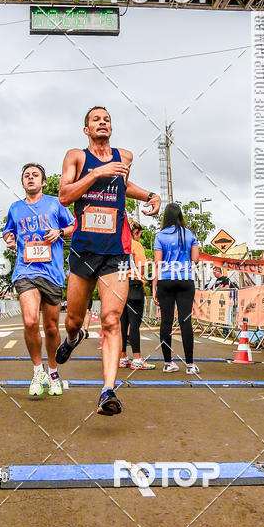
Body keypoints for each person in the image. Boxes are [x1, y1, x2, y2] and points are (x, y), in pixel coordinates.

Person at [55, 106, 161, 416]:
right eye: (95, 120)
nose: (102, 122)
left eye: (107, 119)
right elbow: (64, 195)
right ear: (86, 129)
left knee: (112, 320)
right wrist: (98, 172)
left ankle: (108, 391)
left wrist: (149, 195)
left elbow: (122, 186)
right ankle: (73, 338)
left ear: (111, 127)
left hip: (116, 251)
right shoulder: (76, 156)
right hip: (84, 250)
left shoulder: (124, 156)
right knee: (74, 319)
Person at [3, 162, 74, 396]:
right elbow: (8, 231)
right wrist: (10, 239)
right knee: (31, 321)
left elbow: (75, 224)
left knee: (52, 327)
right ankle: (37, 370)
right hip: (25, 271)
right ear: (22, 182)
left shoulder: (55, 203)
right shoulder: (15, 208)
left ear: (43, 181)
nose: (30, 178)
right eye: (26, 175)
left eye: (35, 175)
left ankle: (53, 372)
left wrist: (60, 232)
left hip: (52, 272)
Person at [153, 203, 200, 375]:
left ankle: (168, 363)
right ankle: (190, 365)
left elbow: (157, 263)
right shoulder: (189, 234)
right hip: (185, 279)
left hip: (165, 280)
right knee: (185, 321)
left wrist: (154, 286)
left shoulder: (160, 236)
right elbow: (195, 259)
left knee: (166, 322)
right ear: (180, 215)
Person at [120, 222, 155, 369]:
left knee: (123, 324)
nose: (140, 237)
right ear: (135, 233)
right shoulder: (136, 245)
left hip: (119, 285)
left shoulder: (118, 244)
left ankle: (122, 357)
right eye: (139, 234)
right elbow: (140, 269)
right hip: (134, 285)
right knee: (134, 324)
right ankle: (137, 359)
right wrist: (146, 264)